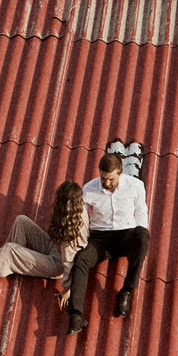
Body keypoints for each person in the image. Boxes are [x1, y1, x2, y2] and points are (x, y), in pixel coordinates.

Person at [0, 181, 90, 298]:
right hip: (54, 248)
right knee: (21, 220)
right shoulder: (79, 212)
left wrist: (67, 289)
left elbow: (68, 263)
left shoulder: (70, 235)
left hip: (57, 264)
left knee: (10, 250)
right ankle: (7, 260)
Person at [63, 141, 149, 332]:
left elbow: (141, 212)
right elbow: (79, 219)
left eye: (111, 179)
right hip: (101, 239)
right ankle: (76, 315)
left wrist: (139, 239)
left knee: (143, 235)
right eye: (103, 178)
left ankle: (126, 291)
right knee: (81, 259)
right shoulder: (88, 189)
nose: (106, 183)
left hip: (126, 235)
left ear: (120, 173)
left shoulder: (135, 186)